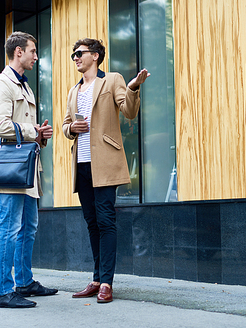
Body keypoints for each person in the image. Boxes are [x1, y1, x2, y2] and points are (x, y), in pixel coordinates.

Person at [62, 38, 150, 303]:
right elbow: (66, 124)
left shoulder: (112, 80)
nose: (76, 58)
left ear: (96, 56)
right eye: (73, 55)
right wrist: (70, 129)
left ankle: (107, 283)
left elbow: (129, 111)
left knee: (105, 220)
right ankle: (96, 278)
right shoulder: (73, 90)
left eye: (80, 53)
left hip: (105, 162)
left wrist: (133, 87)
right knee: (91, 222)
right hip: (82, 164)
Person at [0, 31, 56, 308]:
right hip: (11, 167)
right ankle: (3, 292)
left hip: (27, 167)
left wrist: (41, 135)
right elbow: (0, 127)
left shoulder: (25, 87)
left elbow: (25, 130)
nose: (36, 57)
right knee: (10, 227)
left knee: (28, 227)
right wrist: (33, 131)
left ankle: (24, 282)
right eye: (33, 51)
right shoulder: (1, 85)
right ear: (19, 52)